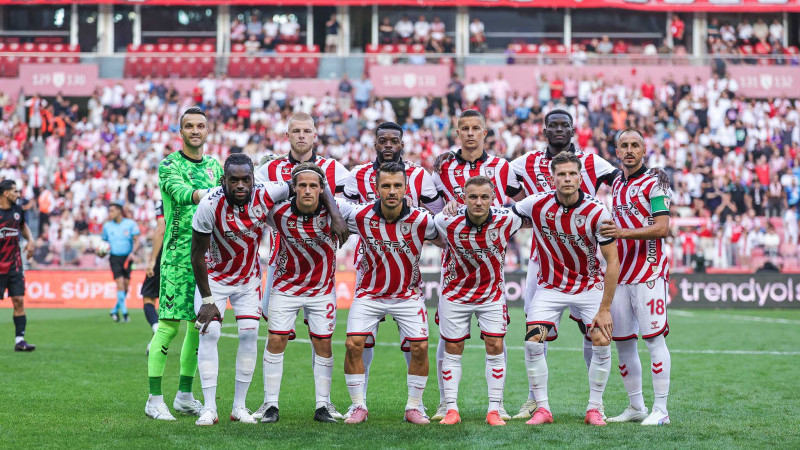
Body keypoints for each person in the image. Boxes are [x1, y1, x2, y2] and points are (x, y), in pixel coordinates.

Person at [191, 153, 345, 426]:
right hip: (214, 279)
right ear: (223, 180)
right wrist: (207, 299)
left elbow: (310, 181)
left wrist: (333, 211)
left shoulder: (268, 193)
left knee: (250, 335)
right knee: (210, 333)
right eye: (234, 180)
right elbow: (196, 254)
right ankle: (209, 408)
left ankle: (239, 407)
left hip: (248, 279)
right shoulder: (209, 205)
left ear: (254, 179)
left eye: (246, 179)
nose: (240, 185)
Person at [508, 109, 618, 420]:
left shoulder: (597, 209)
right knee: (532, 337)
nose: (567, 179)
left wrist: (605, 308)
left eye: (572, 174)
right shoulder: (536, 200)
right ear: (552, 177)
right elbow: (501, 211)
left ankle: (595, 407)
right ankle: (540, 405)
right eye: (561, 175)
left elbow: (613, 261)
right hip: (548, 278)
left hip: (587, 284)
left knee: (598, 336)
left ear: (581, 177)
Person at [253, 112, 348, 421]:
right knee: (276, 337)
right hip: (282, 269)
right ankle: (269, 403)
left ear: (315, 135)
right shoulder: (269, 169)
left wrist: (336, 218)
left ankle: (324, 403)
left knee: (322, 340)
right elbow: (251, 197)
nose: (302, 135)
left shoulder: (334, 168)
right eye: (296, 131)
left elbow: (356, 204)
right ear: (287, 135)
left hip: (321, 276)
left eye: (307, 130)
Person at [343, 121, 444, 407]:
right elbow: (340, 214)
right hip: (369, 270)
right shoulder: (357, 174)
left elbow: (437, 217)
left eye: (394, 141)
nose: (388, 145)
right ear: (375, 144)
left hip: (406, 272)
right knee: (360, 342)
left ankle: (416, 404)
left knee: (415, 344)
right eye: (383, 140)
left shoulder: (420, 175)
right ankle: (358, 403)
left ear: (402, 144)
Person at [429, 109, 521, 422]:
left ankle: (498, 404)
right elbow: (433, 212)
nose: (470, 133)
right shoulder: (443, 166)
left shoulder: (503, 167)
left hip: (491, 261)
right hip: (455, 263)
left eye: (475, 128)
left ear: (484, 132)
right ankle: (445, 402)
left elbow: (519, 206)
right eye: (464, 128)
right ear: (458, 133)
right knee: (448, 340)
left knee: (496, 340)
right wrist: (448, 216)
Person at [145, 107, 223, 421]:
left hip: (206, 260)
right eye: (189, 126)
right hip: (177, 259)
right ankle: (154, 400)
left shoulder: (215, 165)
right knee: (168, 326)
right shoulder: (169, 165)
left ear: (207, 131)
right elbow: (181, 193)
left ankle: (184, 396)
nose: (195, 130)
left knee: (197, 327)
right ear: (181, 132)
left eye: (200, 126)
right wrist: (216, 192)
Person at [435, 176, 528, 426]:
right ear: (463, 198)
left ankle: (494, 409)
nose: (478, 202)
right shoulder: (445, 220)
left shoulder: (508, 219)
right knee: (453, 348)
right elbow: (430, 232)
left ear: (493, 198)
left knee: (495, 346)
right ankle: (451, 408)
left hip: (491, 294)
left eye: (484, 197)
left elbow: (535, 211)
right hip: (455, 293)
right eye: (473, 197)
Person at [599, 129, 672, 426]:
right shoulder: (617, 181)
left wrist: (622, 233)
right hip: (620, 273)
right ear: (617, 152)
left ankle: (661, 410)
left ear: (644, 150)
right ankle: (636, 406)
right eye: (624, 146)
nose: (629, 150)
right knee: (623, 342)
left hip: (648, 272)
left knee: (653, 340)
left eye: (635, 145)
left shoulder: (655, 183)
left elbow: (662, 227)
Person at [0, 180, 35, 351]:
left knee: (19, 300)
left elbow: (23, 226)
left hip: (14, 264)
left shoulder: (17, 210)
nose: (18, 194)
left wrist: (31, 241)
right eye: (15, 191)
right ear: (6, 193)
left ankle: (20, 341)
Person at [101, 201, 141, 323]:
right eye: (109, 211)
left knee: (126, 287)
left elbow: (137, 240)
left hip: (127, 258)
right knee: (120, 284)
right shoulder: (107, 226)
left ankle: (114, 310)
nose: (110, 213)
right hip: (114, 258)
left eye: (112, 211)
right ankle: (125, 313)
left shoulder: (130, 224)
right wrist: (101, 251)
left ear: (119, 211)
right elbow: (103, 243)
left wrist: (133, 252)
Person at [141, 200, 164, 354]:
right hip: (187, 253)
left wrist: (153, 260)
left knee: (148, 298)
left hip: (165, 253)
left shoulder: (162, 202)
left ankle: (156, 329)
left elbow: (161, 228)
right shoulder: (189, 197)